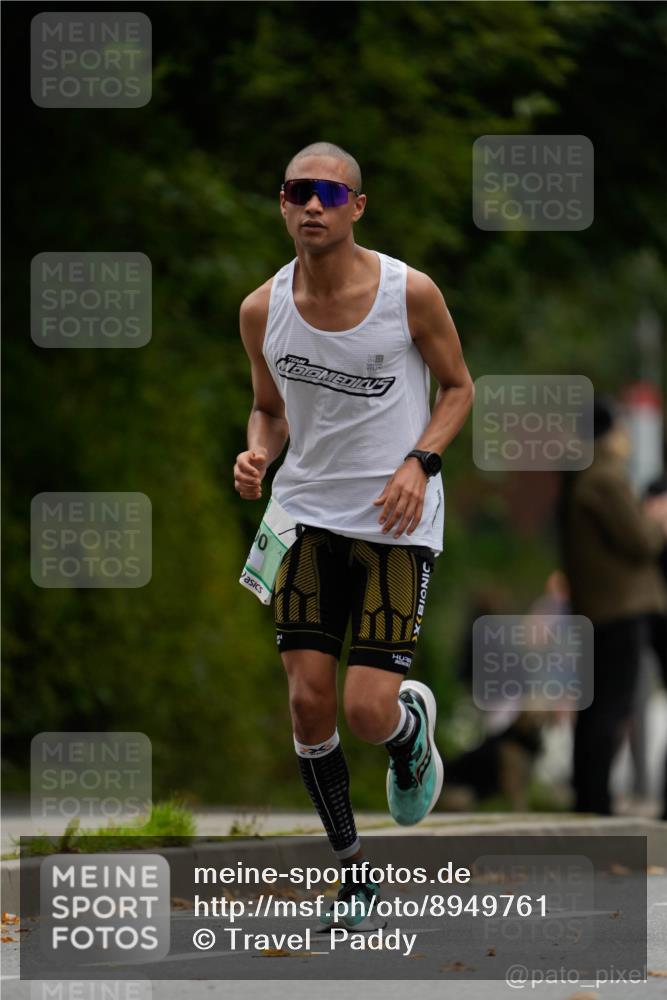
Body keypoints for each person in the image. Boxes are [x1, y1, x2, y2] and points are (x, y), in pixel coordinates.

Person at [234, 142, 473, 929]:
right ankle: (353, 873)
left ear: (355, 207)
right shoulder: (261, 311)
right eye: (297, 191)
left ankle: (407, 732)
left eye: (328, 193)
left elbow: (458, 388)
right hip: (303, 515)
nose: (311, 205)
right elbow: (266, 408)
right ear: (281, 204)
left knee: (365, 711)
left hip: (395, 524)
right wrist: (259, 452)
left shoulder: (410, 294)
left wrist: (420, 461)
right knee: (308, 703)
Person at [558, 399, 667, 816]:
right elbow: (640, 542)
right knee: (609, 709)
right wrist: (657, 519)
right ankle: (594, 804)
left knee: (597, 708)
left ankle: (589, 801)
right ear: (608, 432)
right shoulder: (604, 477)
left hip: (598, 610)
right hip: (618, 610)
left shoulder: (580, 475)